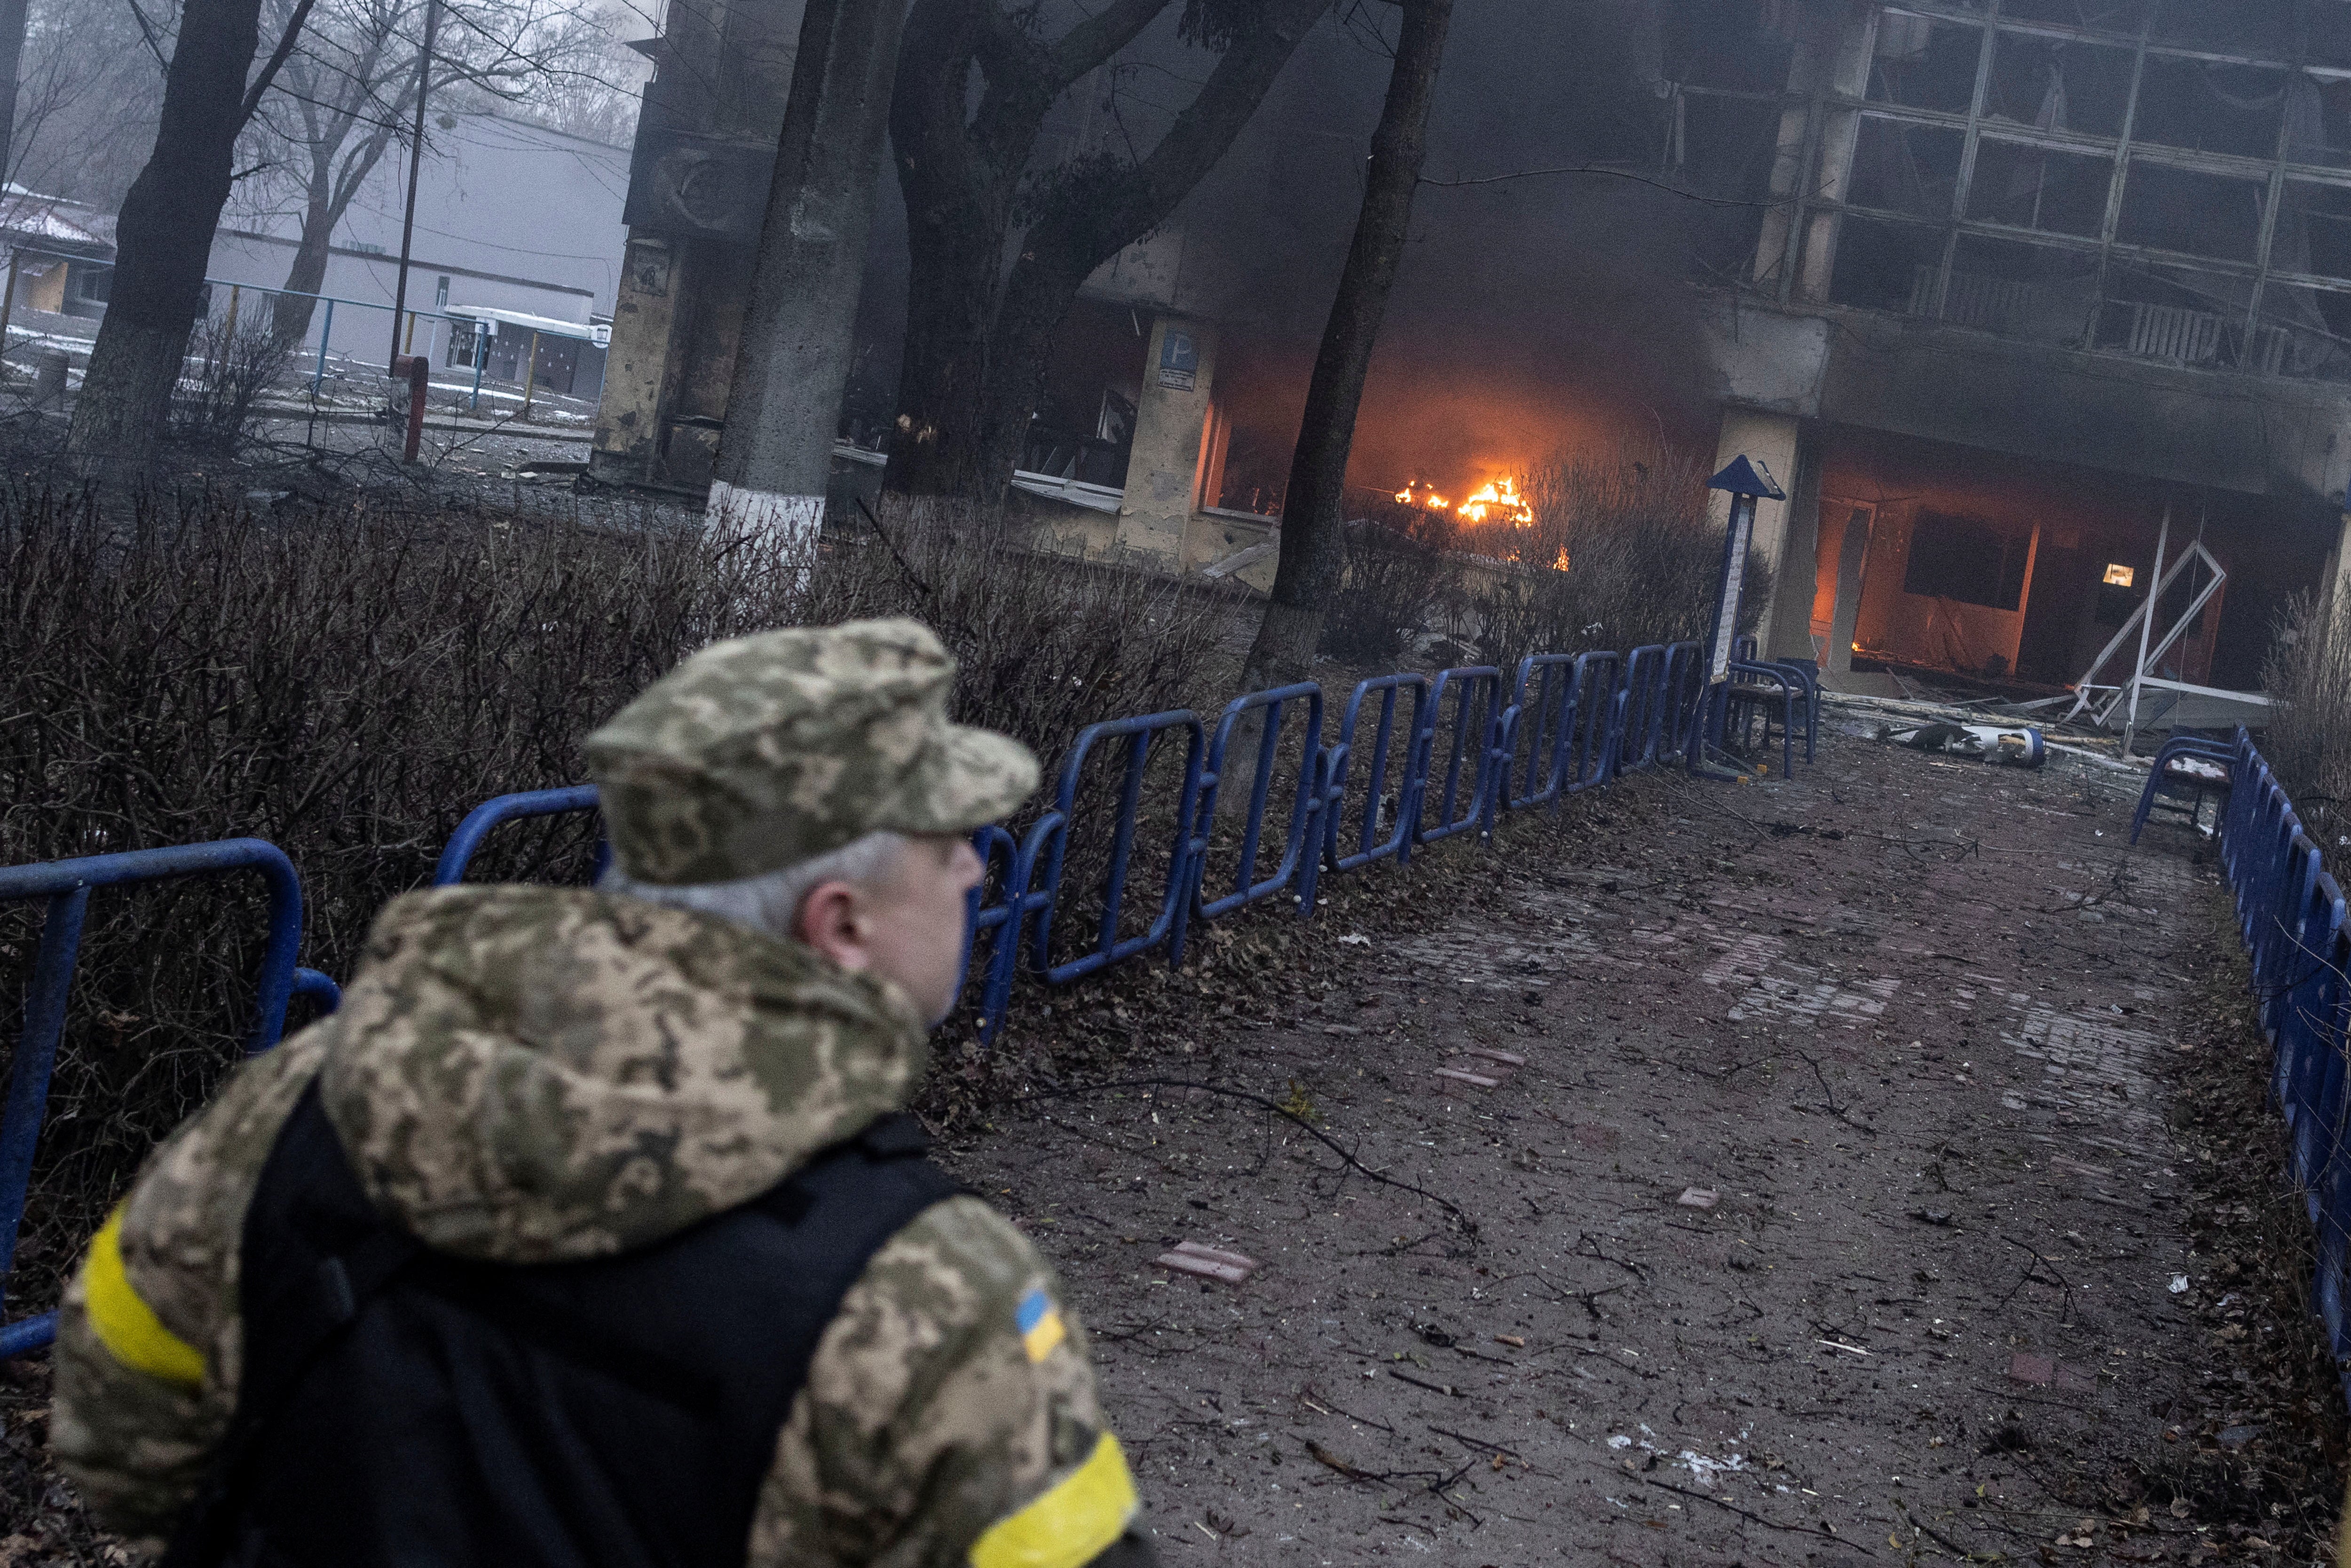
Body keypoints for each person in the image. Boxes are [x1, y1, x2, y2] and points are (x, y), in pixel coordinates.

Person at [49, 617, 1157, 1568]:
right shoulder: (933, 1297)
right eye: (948, 844)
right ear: (841, 924)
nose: (974, 868)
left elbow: (117, 1425)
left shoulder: (303, 1098)